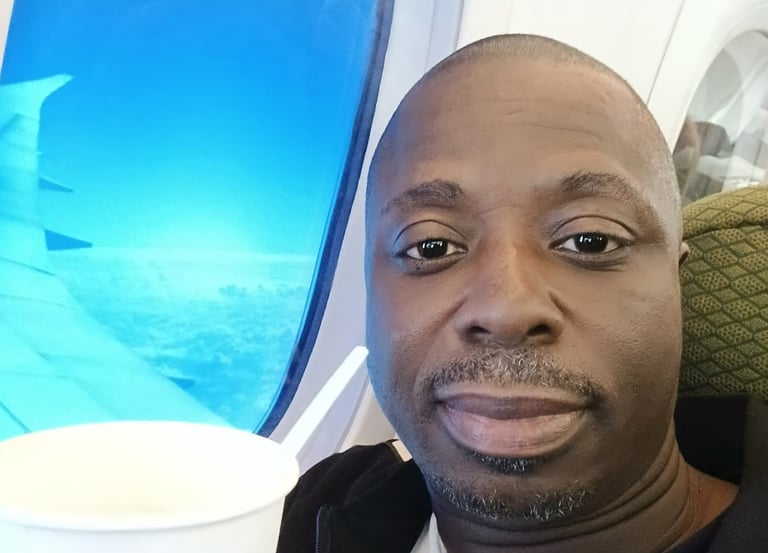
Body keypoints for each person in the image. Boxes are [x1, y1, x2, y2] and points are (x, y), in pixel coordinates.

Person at [277, 34, 768, 553]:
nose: (505, 310)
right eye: (431, 246)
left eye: (590, 240)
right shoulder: (311, 503)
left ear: (676, 282)